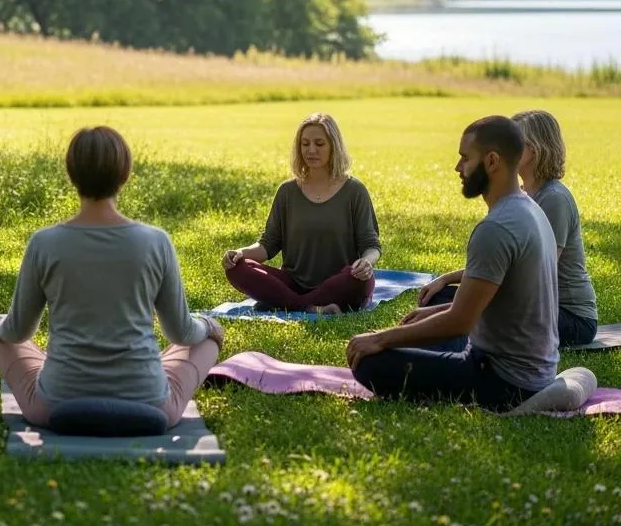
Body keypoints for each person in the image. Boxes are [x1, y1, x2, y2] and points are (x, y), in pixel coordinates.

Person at [0, 126, 225, 429]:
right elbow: (182, 334)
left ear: (72, 175)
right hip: (149, 401)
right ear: (124, 174)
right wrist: (209, 325)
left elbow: (17, 332)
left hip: (58, 402)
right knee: (207, 338)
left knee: (0, 335)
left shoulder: (44, 243)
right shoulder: (156, 241)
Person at [347, 115, 559, 411]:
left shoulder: (497, 227)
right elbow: (497, 301)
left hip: (504, 380)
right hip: (535, 371)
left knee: (370, 362)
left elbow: (461, 322)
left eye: (464, 158)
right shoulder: (530, 210)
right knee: (415, 332)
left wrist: (382, 339)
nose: (457, 168)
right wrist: (433, 312)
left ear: (492, 161)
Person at [416, 110, 597, 348]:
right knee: (439, 297)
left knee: (458, 308)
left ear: (534, 150)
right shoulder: (521, 193)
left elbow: (535, 271)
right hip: (530, 304)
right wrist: (446, 280)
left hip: (568, 316)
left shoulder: (554, 199)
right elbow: (502, 263)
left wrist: (460, 308)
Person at [220, 112, 380, 313]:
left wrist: (366, 262)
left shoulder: (354, 191)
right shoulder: (287, 191)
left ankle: (286, 303)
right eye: (305, 144)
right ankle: (311, 307)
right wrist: (240, 253)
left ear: (334, 146)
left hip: (341, 281)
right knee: (237, 269)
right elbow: (268, 245)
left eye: (319, 144)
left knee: (360, 280)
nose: (311, 150)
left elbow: (371, 245)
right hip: (293, 283)